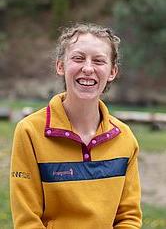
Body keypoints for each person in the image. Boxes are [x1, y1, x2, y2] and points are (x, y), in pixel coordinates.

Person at [10, 23, 142, 229]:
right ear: (60, 66)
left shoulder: (125, 137)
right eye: (78, 58)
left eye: (98, 61)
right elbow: (27, 220)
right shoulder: (29, 131)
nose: (88, 68)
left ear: (112, 72)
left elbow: (129, 218)